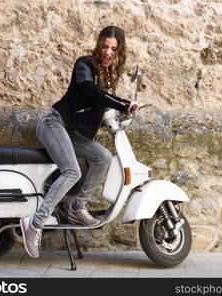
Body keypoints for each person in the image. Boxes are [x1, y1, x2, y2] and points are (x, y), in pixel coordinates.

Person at [20, 26, 139, 258]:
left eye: (113, 49)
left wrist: (121, 114)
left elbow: (99, 103)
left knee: (103, 156)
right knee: (72, 172)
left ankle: (77, 208)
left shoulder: (108, 76)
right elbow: (88, 91)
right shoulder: (84, 65)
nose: (107, 52)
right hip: (54, 124)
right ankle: (34, 223)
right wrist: (123, 104)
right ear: (99, 45)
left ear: (119, 51)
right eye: (105, 46)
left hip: (72, 132)